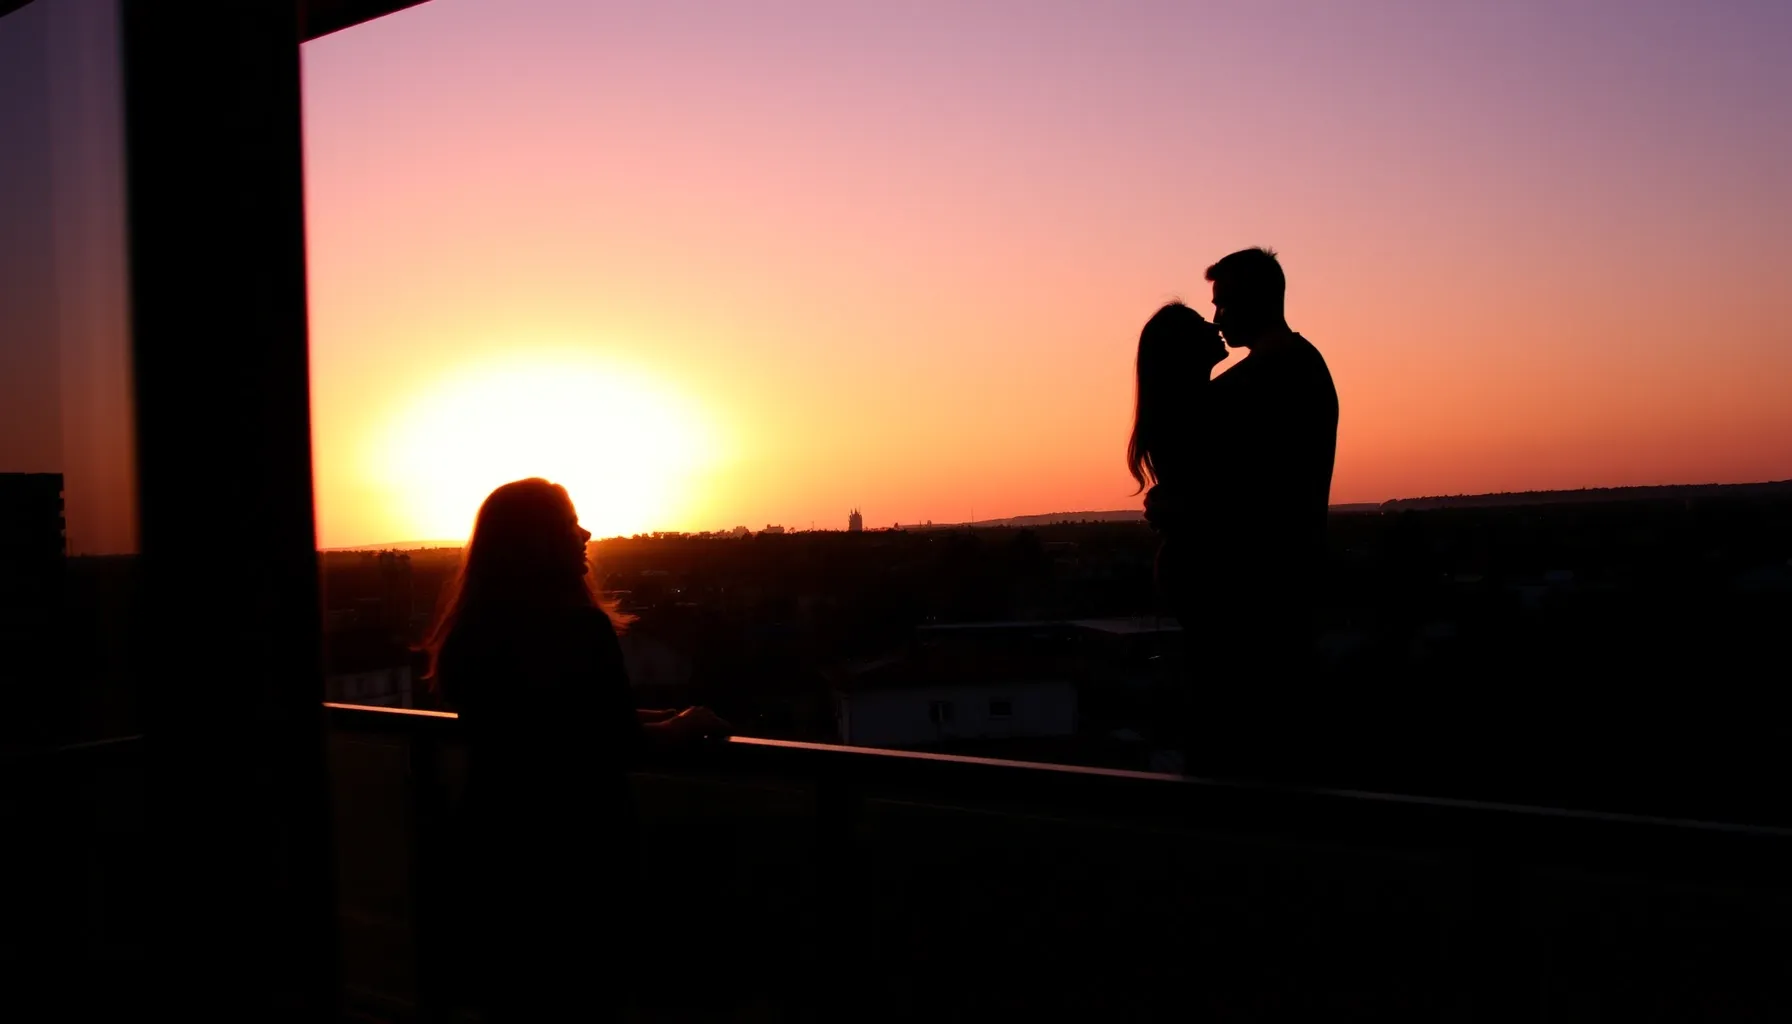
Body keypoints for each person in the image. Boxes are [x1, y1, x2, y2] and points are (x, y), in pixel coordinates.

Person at [419, 477, 727, 1021]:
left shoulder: (475, 631)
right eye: (569, 524)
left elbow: (564, 719)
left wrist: (663, 716)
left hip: (495, 848)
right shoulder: (578, 627)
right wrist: (684, 725)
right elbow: (615, 741)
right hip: (577, 858)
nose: (585, 534)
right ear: (537, 542)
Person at [1146, 248, 1338, 776]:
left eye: (1224, 304)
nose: (1216, 318)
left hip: (1249, 598)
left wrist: (1177, 506)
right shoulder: (1303, 367)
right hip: (1266, 595)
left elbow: (1241, 496)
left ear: (1255, 301)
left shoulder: (1258, 383)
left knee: (1238, 744)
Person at [1127, 301, 1229, 632]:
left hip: (1191, 569)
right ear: (1182, 347)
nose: (1215, 326)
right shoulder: (1195, 416)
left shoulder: (1180, 414)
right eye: (1201, 325)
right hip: (1204, 573)